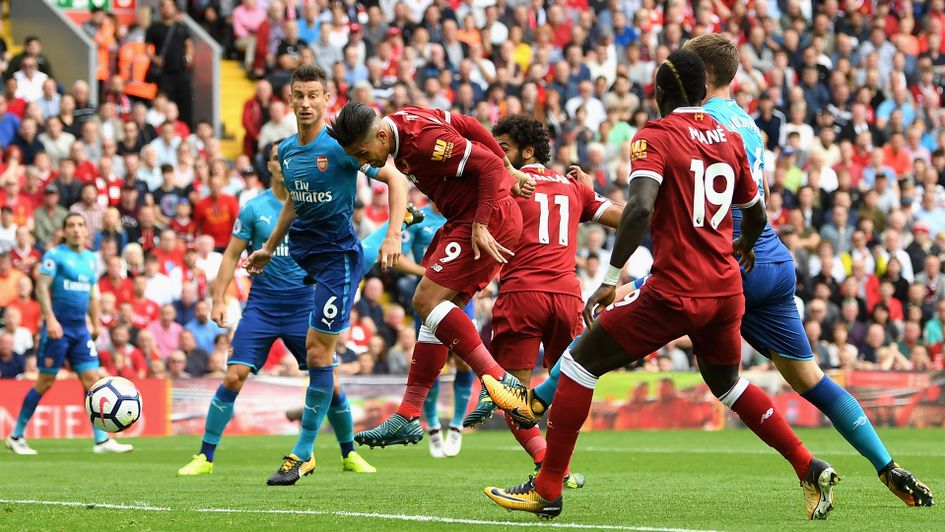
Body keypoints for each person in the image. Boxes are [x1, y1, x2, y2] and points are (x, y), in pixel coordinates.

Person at [484, 50, 835, 520]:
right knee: (727, 384)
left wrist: (609, 278)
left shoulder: (655, 136)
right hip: (726, 290)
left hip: (677, 289)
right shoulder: (729, 138)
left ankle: (548, 488)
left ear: (662, 92)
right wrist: (744, 247)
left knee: (580, 364)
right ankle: (808, 466)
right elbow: (757, 211)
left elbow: (640, 207)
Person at [682, 34, 930, 507]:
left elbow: (686, 202)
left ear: (703, 75)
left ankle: (539, 400)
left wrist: (594, 206)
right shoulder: (749, 125)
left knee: (629, 319)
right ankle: (886, 465)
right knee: (812, 379)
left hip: (725, 257)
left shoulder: (696, 124)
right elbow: (764, 197)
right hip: (771, 257)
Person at [328, 100, 536, 449]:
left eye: (364, 153)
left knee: (424, 300)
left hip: (484, 218)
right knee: (435, 319)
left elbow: (484, 165)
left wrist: (485, 215)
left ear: (380, 134)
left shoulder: (422, 142)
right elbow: (468, 123)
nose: (364, 162)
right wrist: (510, 170)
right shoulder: (403, 120)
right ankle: (408, 415)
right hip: (469, 218)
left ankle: (501, 381)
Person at [242, 65, 407, 485]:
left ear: (326, 97)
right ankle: (341, 450)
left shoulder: (339, 147)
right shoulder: (286, 152)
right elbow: (293, 204)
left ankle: (303, 453)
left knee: (317, 354)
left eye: (314, 95)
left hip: (337, 259)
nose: (305, 102)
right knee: (319, 357)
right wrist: (266, 246)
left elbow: (394, 177)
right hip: (305, 257)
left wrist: (393, 235)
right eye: (299, 95)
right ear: (290, 99)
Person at [178, 143, 377, 478]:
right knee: (233, 375)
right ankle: (205, 457)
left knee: (333, 382)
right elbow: (230, 255)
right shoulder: (254, 209)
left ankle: (349, 454)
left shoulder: (312, 202)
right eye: (277, 159)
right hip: (263, 306)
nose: (284, 164)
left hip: (304, 304)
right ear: (270, 165)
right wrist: (218, 298)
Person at [461, 115, 622, 484]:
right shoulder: (572, 187)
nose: (497, 156)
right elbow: (629, 218)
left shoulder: (500, 182)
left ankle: (550, 466)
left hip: (522, 296)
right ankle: (557, 467)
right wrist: (592, 188)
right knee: (569, 387)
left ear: (527, 151)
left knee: (513, 395)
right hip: (567, 296)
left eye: (503, 149)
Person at [5, 213, 133, 455]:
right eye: (71, 225)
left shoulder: (90, 259)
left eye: (80, 225)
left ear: (86, 231)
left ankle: (101, 440)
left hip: (80, 330)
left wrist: (95, 323)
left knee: (91, 379)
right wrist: (50, 319)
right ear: (64, 231)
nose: (76, 229)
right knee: (45, 381)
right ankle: (16, 435)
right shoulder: (54, 255)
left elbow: (92, 294)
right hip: (58, 329)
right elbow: (42, 287)